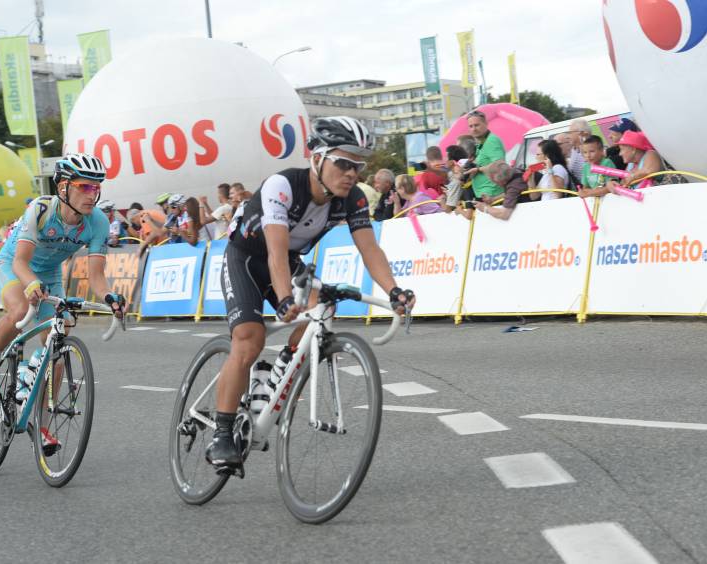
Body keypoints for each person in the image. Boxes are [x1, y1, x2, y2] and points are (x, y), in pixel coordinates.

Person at [205, 116, 416, 473]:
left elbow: (370, 250)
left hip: (286, 259)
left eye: (358, 166)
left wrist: (394, 290)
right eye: (344, 163)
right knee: (249, 339)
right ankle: (222, 434)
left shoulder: (351, 200)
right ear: (317, 158)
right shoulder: (283, 186)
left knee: (322, 311)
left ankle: (276, 375)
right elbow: (274, 250)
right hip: (247, 257)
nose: (352, 173)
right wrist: (286, 298)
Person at [0, 153, 127, 454]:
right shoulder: (41, 209)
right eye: (84, 187)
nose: (92, 194)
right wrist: (30, 283)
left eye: (96, 187)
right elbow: (20, 261)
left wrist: (110, 297)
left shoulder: (96, 222)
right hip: (13, 265)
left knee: (58, 339)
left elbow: (96, 276)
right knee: (19, 311)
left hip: (48, 274)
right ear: (63, 188)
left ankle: (41, 421)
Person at [463, 110, 506, 202]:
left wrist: (478, 169)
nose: (474, 129)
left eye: (477, 125)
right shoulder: (482, 143)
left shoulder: (491, 141)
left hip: (493, 196)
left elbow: (500, 165)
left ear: (486, 124)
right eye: (471, 126)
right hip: (485, 195)